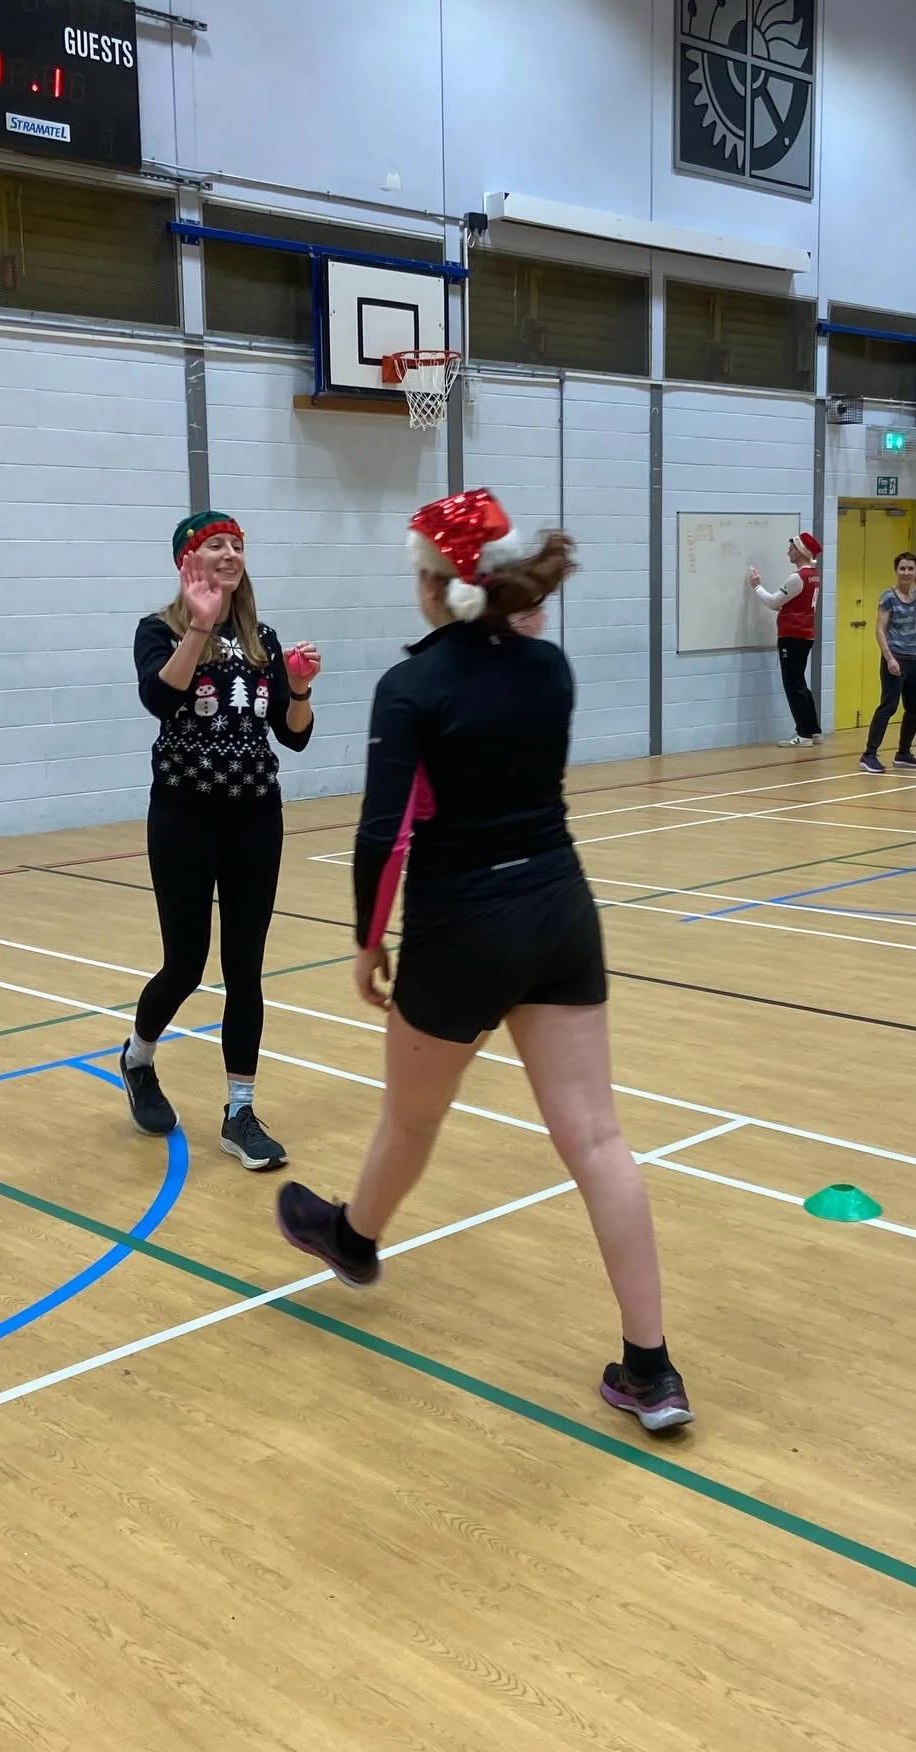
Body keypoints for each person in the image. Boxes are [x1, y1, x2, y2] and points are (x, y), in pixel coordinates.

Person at [275, 489, 692, 1435]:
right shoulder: (551, 667)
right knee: (598, 1142)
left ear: (432, 584)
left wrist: (367, 939)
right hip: (559, 913)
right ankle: (652, 1368)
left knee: (410, 1119)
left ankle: (353, 1238)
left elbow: (382, 833)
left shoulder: (410, 686)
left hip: (462, 929)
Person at [121, 512, 319, 1168]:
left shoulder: (263, 639)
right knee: (185, 964)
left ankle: (240, 1112)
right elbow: (160, 699)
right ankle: (138, 1057)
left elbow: (293, 735)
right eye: (216, 545)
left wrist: (299, 688)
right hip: (183, 819)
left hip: (255, 819)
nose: (231, 553)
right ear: (189, 560)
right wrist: (201, 626)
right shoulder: (159, 630)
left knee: (245, 969)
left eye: (237, 544)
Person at [859, 551, 916, 772]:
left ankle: (903, 753)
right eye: (902, 568)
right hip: (895, 659)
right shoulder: (888, 597)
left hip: (914, 659)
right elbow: (880, 629)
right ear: (896, 571)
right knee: (888, 706)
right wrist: (889, 658)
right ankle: (869, 754)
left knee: (914, 708)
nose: (906, 572)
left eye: (910, 568)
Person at [749, 532, 822, 747]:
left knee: (793, 685)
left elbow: (773, 602)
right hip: (805, 634)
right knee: (800, 683)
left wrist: (757, 586)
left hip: (792, 636)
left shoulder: (797, 578)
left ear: (801, 552)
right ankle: (813, 730)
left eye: (791, 549)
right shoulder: (813, 575)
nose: (788, 552)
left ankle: (803, 734)